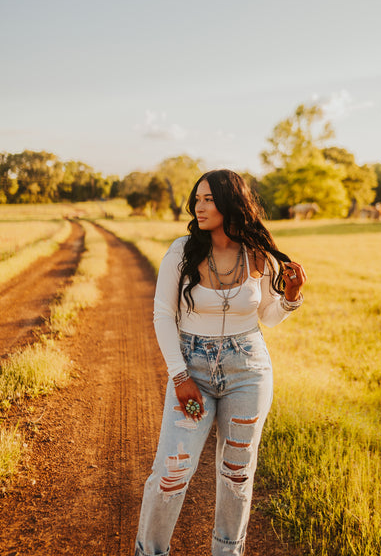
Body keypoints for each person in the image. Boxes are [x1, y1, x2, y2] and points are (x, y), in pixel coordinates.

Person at [134, 169, 306, 556]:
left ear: (232, 201)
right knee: (171, 472)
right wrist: (180, 376)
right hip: (192, 368)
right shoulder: (182, 250)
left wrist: (291, 298)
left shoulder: (256, 253)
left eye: (208, 198)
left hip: (248, 370)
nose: (199, 206)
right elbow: (163, 315)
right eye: (197, 199)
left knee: (237, 475)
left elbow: (268, 315)